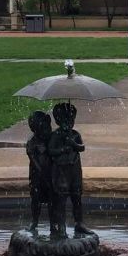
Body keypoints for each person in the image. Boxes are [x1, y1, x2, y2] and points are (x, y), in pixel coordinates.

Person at [48, 102, 91, 238]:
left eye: (71, 120)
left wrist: (73, 144)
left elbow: (82, 147)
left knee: (77, 196)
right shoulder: (56, 135)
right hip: (61, 170)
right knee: (61, 198)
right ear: (59, 121)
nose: (69, 123)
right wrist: (62, 149)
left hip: (75, 169)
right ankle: (61, 225)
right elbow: (50, 150)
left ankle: (79, 222)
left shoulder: (75, 134)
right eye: (66, 120)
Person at [25, 111, 53, 233]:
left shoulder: (51, 138)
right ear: (36, 129)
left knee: (53, 199)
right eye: (44, 128)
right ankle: (34, 222)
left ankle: (54, 223)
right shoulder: (32, 142)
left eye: (48, 127)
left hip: (51, 173)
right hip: (37, 175)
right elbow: (34, 160)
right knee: (36, 198)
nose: (47, 130)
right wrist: (43, 174)